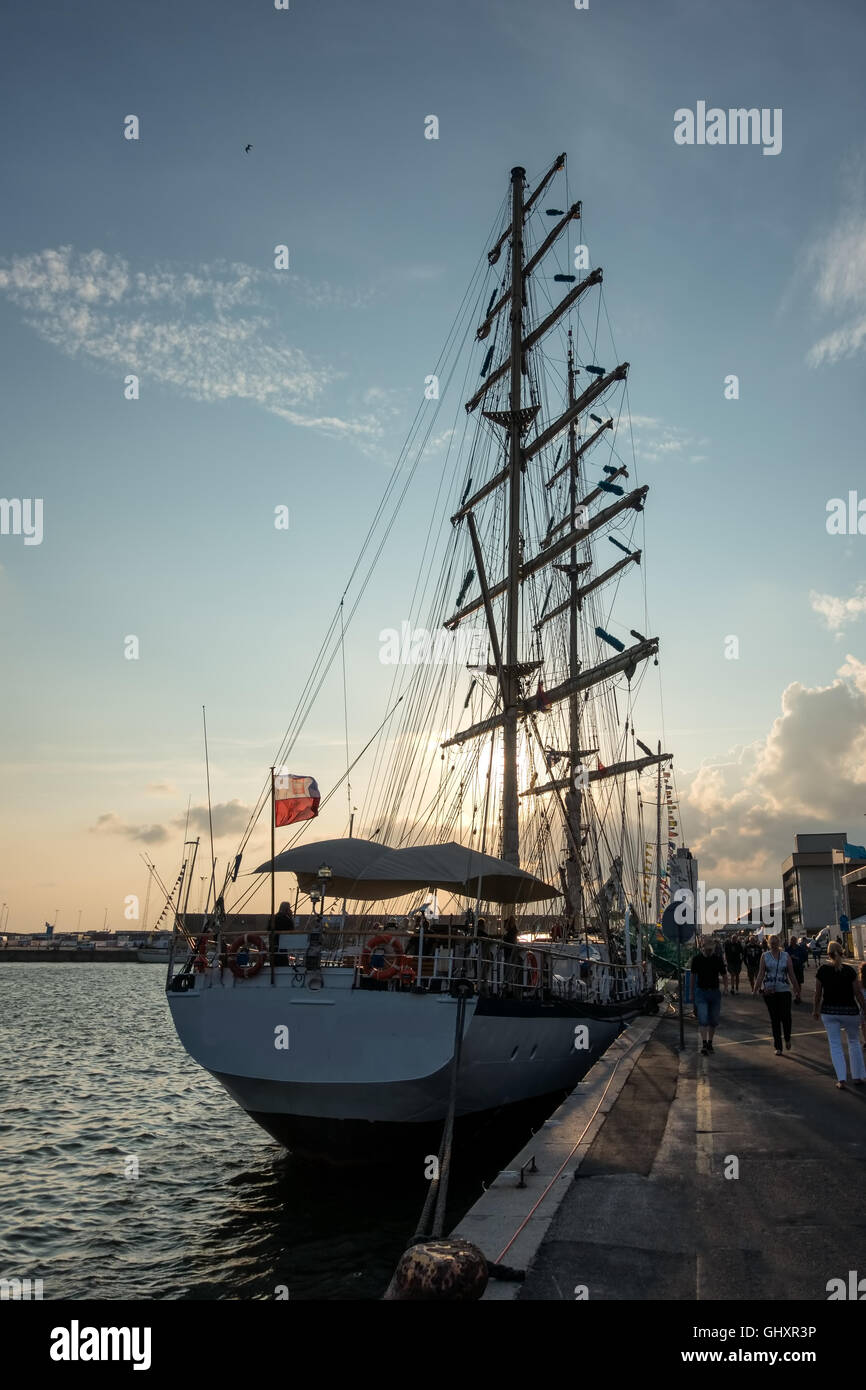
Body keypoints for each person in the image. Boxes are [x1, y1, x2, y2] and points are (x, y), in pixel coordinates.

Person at [813, 942, 866, 1090]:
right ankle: (858, 1076)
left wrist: (815, 1010)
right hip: (850, 1011)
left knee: (835, 1044)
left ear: (828, 954)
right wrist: (864, 1008)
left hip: (829, 1011)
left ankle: (841, 1079)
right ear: (842, 953)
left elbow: (818, 994)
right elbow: (858, 993)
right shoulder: (850, 971)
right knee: (854, 1042)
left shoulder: (822, 970)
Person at [753, 934, 800, 1054]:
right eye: (771, 942)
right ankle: (778, 1046)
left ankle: (788, 1038)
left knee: (786, 1017)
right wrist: (756, 988)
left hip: (784, 990)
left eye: (775, 942)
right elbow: (761, 973)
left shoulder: (785, 956)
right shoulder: (765, 956)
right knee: (775, 1019)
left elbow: (791, 973)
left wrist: (796, 989)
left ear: (779, 943)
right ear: (768, 943)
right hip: (770, 992)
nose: (773, 944)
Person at [689, 936, 728, 1055]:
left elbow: (724, 974)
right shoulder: (697, 959)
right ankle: (704, 1043)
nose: (709, 951)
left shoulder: (717, 959)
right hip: (701, 991)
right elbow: (693, 976)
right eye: (708, 949)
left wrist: (726, 987)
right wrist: (691, 993)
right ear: (703, 948)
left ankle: (710, 1042)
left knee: (714, 1019)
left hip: (715, 992)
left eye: (711, 949)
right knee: (703, 1017)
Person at [788, 935, 808, 999]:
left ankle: (798, 994)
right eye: (791, 940)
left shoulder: (800, 949)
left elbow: (805, 957)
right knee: (794, 982)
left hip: (799, 967)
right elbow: (785, 957)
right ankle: (796, 994)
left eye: (793, 940)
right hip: (791, 968)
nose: (792, 941)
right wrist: (790, 957)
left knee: (799, 982)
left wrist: (798, 958)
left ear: (796, 941)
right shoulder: (788, 949)